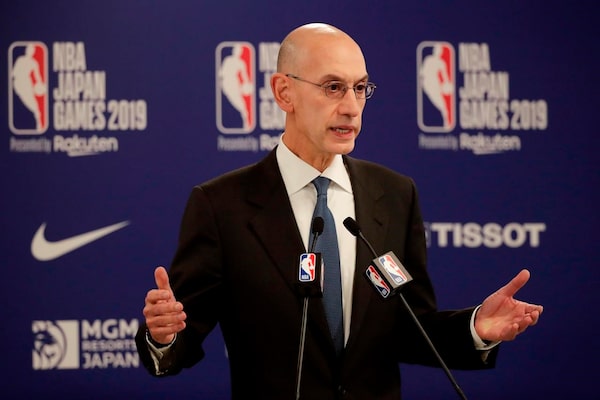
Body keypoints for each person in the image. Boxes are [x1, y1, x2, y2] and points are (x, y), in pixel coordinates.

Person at [135, 22, 543, 399]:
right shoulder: (222, 205)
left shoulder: (394, 194)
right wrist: (163, 336)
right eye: (333, 87)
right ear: (284, 92)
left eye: (360, 88)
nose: (351, 107)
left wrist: (475, 327)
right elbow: (182, 338)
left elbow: (410, 327)